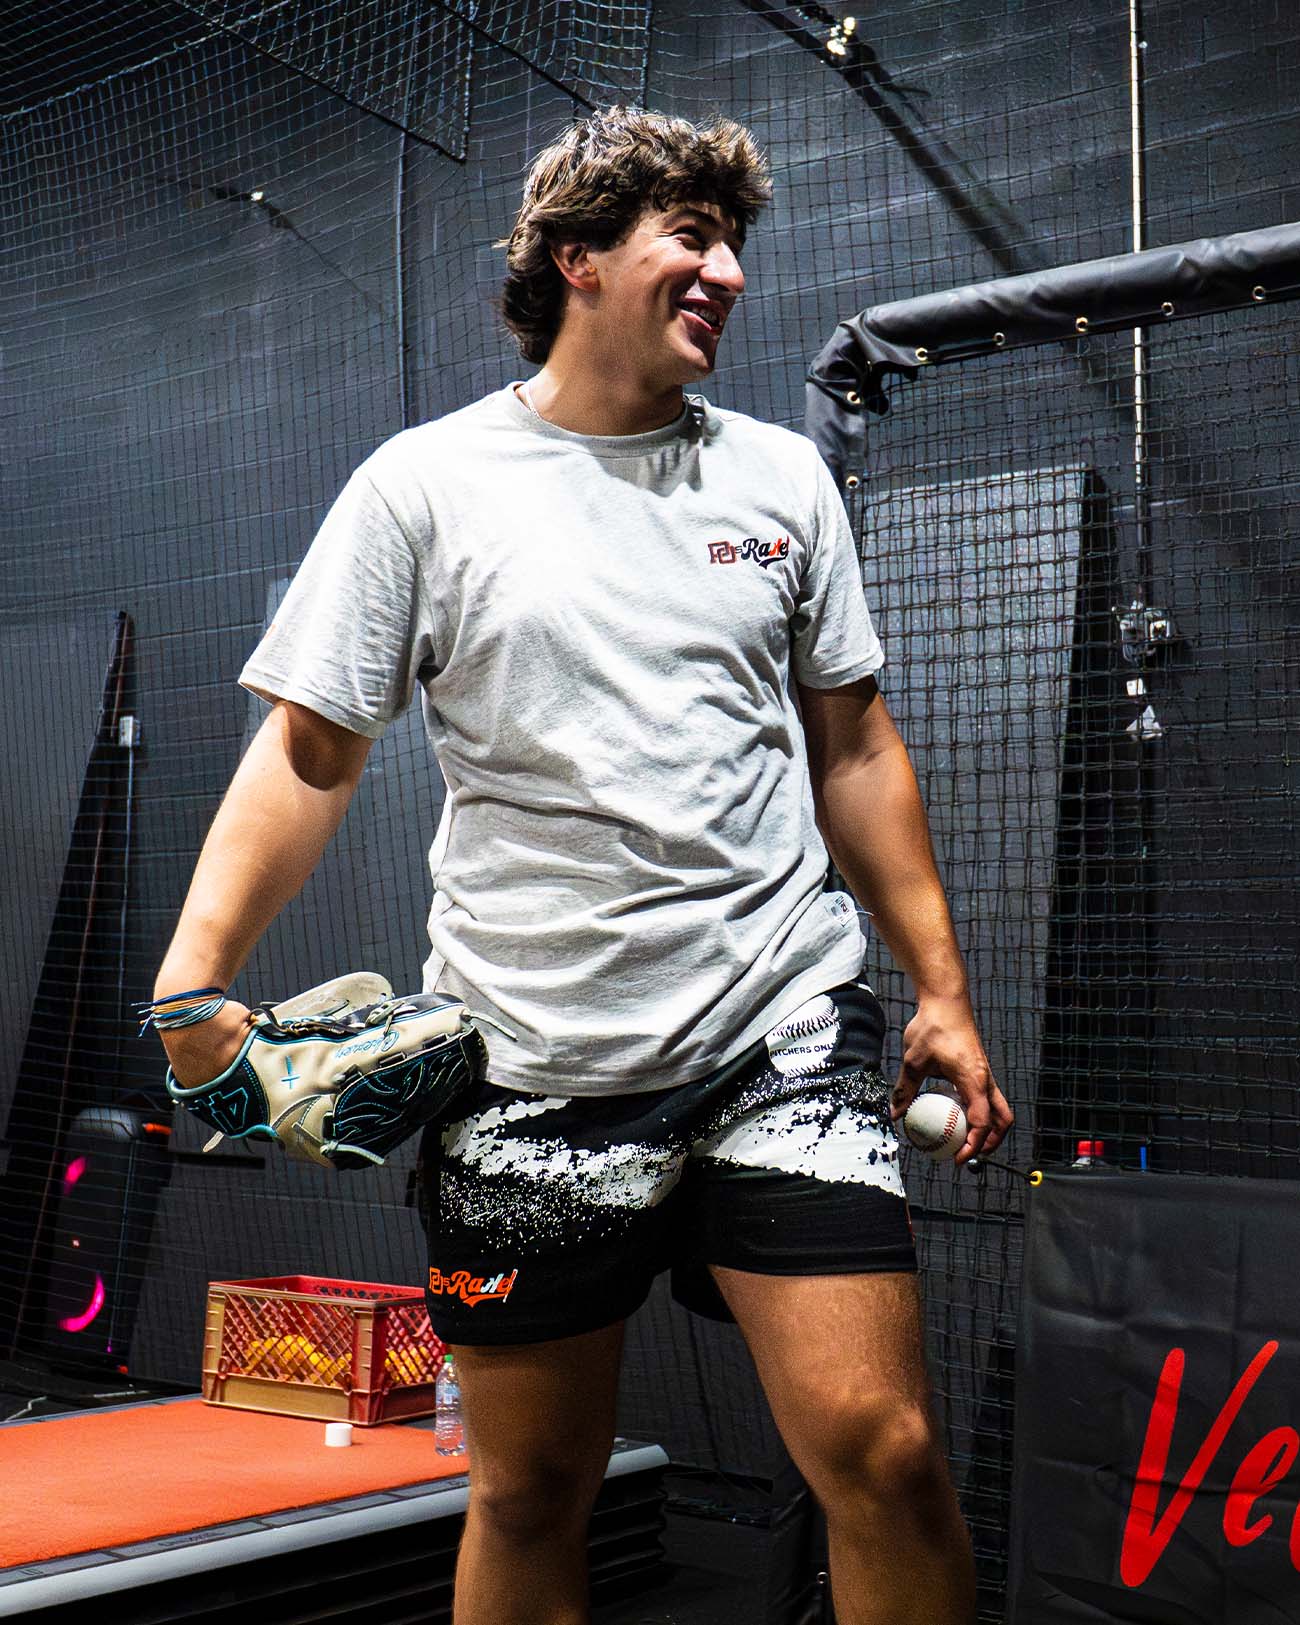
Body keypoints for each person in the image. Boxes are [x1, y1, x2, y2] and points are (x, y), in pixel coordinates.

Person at [153, 107, 1012, 1625]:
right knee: (532, 1490)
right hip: (531, 1066)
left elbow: (857, 747)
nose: (728, 272)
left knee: (884, 1452)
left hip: (778, 1032)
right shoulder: (424, 486)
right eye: (693, 235)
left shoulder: (780, 483)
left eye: (735, 243)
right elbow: (310, 750)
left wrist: (939, 987)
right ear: (578, 257)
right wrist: (192, 982)